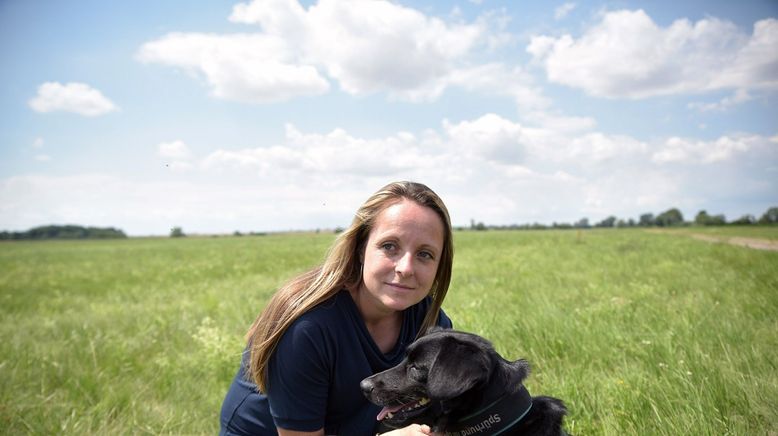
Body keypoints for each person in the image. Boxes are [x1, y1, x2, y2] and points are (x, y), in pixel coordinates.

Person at [220, 181, 455, 436]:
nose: (406, 268)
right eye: (389, 246)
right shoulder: (308, 327)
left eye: (425, 254)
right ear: (361, 249)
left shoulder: (429, 323)